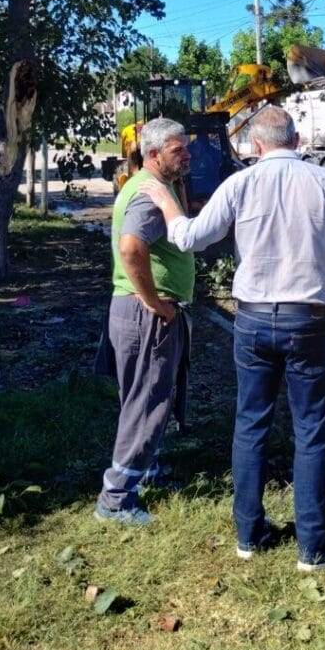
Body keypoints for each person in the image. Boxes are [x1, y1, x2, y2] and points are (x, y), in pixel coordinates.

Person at [139, 105, 325, 570]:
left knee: (251, 424)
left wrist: (166, 201)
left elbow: (190, 238)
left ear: (256, 145)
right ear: (296, 140)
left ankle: (249, 534)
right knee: (311, 430)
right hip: (307, 321)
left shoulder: (239, 184)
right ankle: (313, 547)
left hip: (252, 322)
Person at [93, 117, 194, 526]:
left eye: (186, 147)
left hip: (138, 312)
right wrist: (155, 303)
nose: (187, 155)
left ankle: (146, 469)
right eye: (178, 150)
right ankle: (115, 498)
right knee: (146, 402)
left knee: (146, 397)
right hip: (147, 314)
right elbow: (131, 247)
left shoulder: (152, 185)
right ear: (153, 154)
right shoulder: (149, 194)